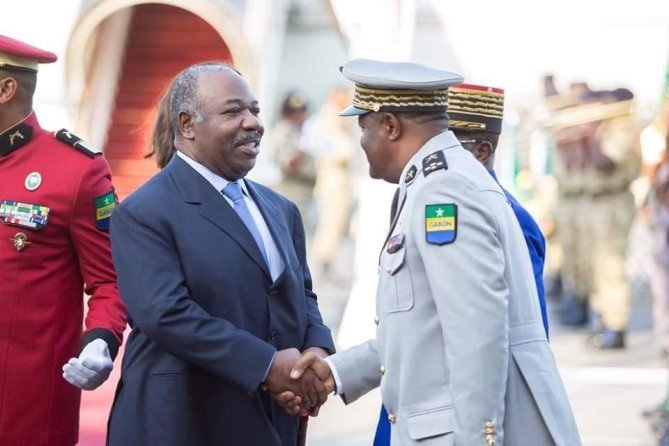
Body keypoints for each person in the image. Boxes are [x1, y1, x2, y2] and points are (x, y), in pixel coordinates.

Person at [290, 59, 581, 445]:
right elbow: (423, 329)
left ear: (391, 126)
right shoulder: (440, 179)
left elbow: (477, 334)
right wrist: (335, 373)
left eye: (364, 128)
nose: (361, 143)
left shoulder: (444, 191)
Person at [106, 61, 335, 446]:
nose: (253, 123)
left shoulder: (281, 209)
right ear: (187, 124)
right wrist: (267, 366)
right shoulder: (145, 211)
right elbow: (166, 314)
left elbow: (302, 296)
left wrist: (316, 351)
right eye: (233, 112)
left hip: (272, 420)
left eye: (255, 110)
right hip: (184, 422)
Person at [373, 82, 551, 445]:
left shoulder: (489, 210)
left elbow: (507, 338)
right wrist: (335, 373)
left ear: (482, 151)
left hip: (456, 417)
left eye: (450, 141)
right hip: (416, 405)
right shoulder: (428, 192)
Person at [0, 35, 126, 445]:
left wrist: (100, 339)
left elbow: (111, 279)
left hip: (23, 406)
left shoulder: (76, 171)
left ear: (6, 89)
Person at [547, 85, 640, 348]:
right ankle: (601, 319)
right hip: (591, 203)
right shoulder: (601, 129)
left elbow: (604, 162)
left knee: (610, 267)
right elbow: (573, 163)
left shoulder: (621, 128)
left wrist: (589, 134)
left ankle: (615, 326)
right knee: (592, 267)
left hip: (611, 202)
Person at [301, 86, 357, 277]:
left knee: (337, 221)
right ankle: (323, 264)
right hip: (331, 174)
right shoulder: (328, 118)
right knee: (330, 221)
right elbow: (323, 147)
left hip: (339, 176)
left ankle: (327, 262)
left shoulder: (338, 118)